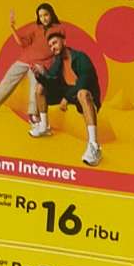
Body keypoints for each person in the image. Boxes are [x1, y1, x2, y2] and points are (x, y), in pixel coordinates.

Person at [28, 24, 102, 169]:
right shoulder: (57, 61)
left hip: (84, 96)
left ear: (64, 41)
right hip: (67, 93)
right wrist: (40, 75)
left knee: (82, 93)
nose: (53, 47)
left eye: (55, 43)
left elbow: (85, 81)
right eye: (50, 46)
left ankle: (94, 146)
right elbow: (51, 81)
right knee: (40, 88)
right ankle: (44, 127)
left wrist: (67, 98)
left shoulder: (81, 57)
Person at [0, 3, 61, 119]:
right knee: (7, 81)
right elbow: (22, 43)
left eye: (46, 15)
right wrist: (12, 28)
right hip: (25, 59)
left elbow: (58, 49)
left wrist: (47, 66)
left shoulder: (59, 29)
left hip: (41, 64)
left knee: (35, 87)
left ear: (51, 14)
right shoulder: (35, 27)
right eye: (41, 16)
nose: (44, 18)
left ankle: (33, 114)